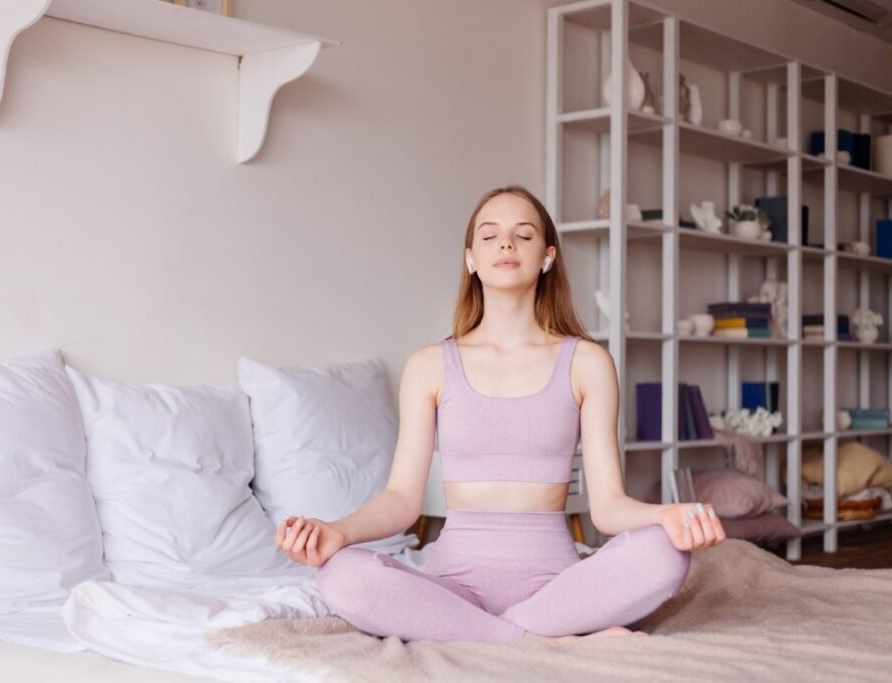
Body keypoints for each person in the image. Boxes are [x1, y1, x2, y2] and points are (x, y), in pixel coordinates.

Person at [274, 185, 726, 644]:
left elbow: (608, 508)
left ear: (547, 256)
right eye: (489, 236)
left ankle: (496, 635)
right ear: (471, 258)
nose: (506, 244)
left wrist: (668, 516)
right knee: (339, 574)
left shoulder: (587, 362)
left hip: (557, 587)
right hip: (452, 588)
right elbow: (400, 501)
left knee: (667, 552)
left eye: (523, 235)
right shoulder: (429, 365)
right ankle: (542, 640)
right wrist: (335, 531)